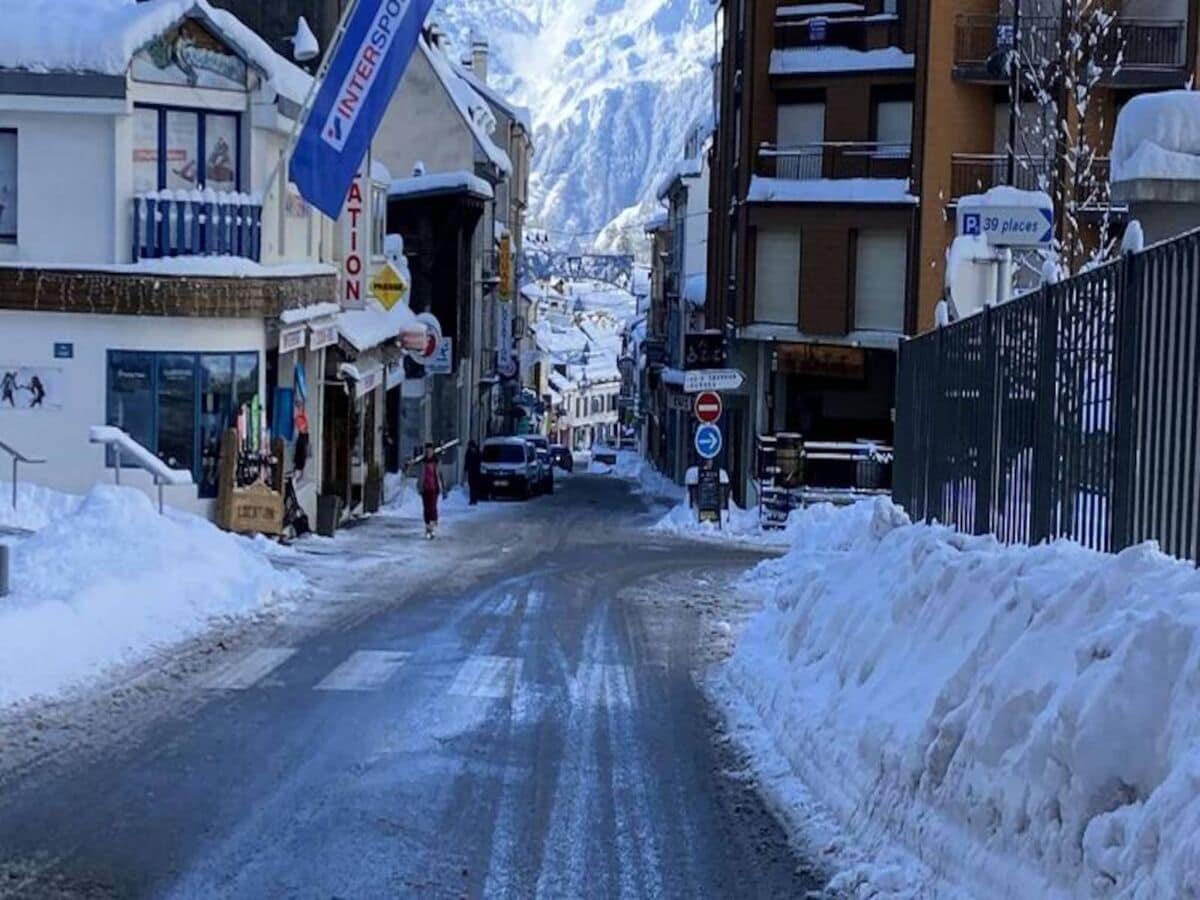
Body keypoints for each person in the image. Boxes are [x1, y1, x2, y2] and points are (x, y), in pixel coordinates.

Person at [419, 443, 445, 540]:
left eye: (430, 451)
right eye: (427, 451)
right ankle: (427, 527)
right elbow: (420, 475)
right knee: (426, 508)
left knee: (433, 507)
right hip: (425, 488)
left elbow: (440, 475)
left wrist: (443, 488)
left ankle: (431, 527)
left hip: (434, 488)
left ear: (433, 451)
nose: (428, 452)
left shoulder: (436, 462)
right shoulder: (423, 462)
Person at [464, 440, 482, 506]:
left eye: (471, 447)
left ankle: (475, 499)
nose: (471, 448)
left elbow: (480, 460)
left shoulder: (478, 452)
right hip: (471, 471)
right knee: (471, 486)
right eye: (470, 447)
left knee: (476, 486)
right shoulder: (468, 452)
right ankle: (472, 499)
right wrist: (465, 469)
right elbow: (466, 461)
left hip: (476, 471)